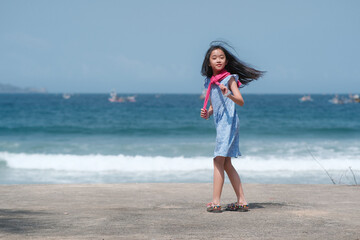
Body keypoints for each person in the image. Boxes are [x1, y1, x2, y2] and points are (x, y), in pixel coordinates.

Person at [200, 41, 263, 213]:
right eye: (215, 58)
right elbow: (216, 106)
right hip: (221, 122)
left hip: (229, 123)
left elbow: (240, 101)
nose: (218, 60)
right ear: (209, 62)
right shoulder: (209, 82)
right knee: (226, 163)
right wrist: (208, 113)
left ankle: (215, 202)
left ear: (226, 61)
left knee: (217, 160)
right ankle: (242, 201)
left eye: (221, 57)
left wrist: (228, 93)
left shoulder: (230, 79)